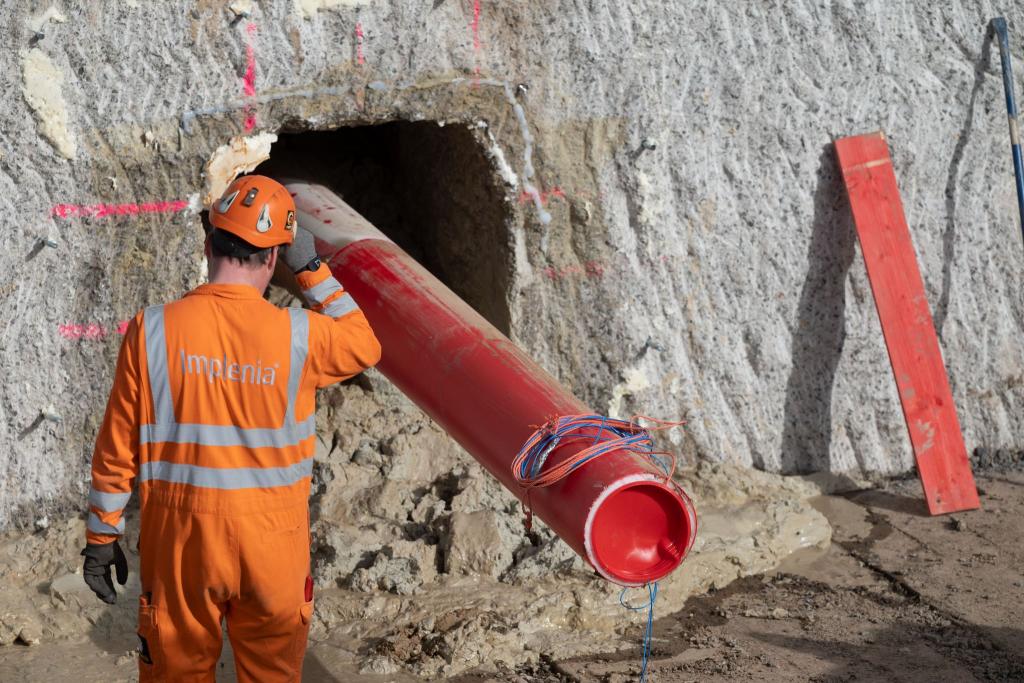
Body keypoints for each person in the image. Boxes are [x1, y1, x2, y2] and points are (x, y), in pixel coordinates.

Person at [79, 175, 381, 681]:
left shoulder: (151, 329)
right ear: (272, 259)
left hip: (181, 544)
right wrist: (309, 269)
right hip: (273, 546)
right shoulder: (300, 336)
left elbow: (117, 447)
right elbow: (365, 343)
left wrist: (100, 536)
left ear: (208, 244)